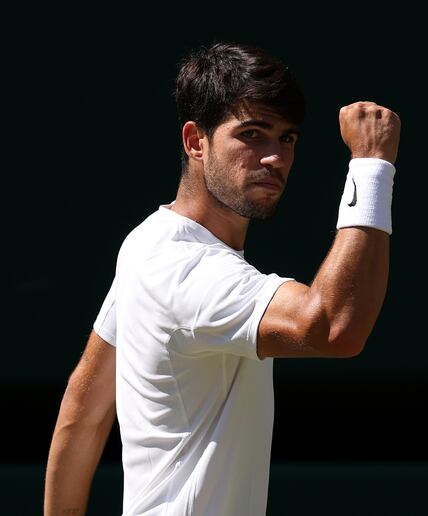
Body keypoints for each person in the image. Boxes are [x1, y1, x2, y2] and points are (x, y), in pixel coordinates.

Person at [44, 41, 400, 516]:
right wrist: (372, 163)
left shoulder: (147, 244)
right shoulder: (187, 270)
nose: (274, 157)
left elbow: (82, 412)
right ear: (196, 141)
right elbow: (335, 325)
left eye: (286, 138)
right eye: (252, 134)